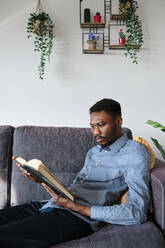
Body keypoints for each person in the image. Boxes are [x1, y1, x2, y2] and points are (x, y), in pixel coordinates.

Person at [0, 98, 151, 248]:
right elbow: (77, 188)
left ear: (118, 122)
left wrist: (78, 208)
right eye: (92, 126)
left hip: (75, 217)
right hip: (49, 205)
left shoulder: (134, 153)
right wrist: (40, 179)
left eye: (101, 125)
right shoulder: (94, 152)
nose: (95, 132)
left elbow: (137, 212)